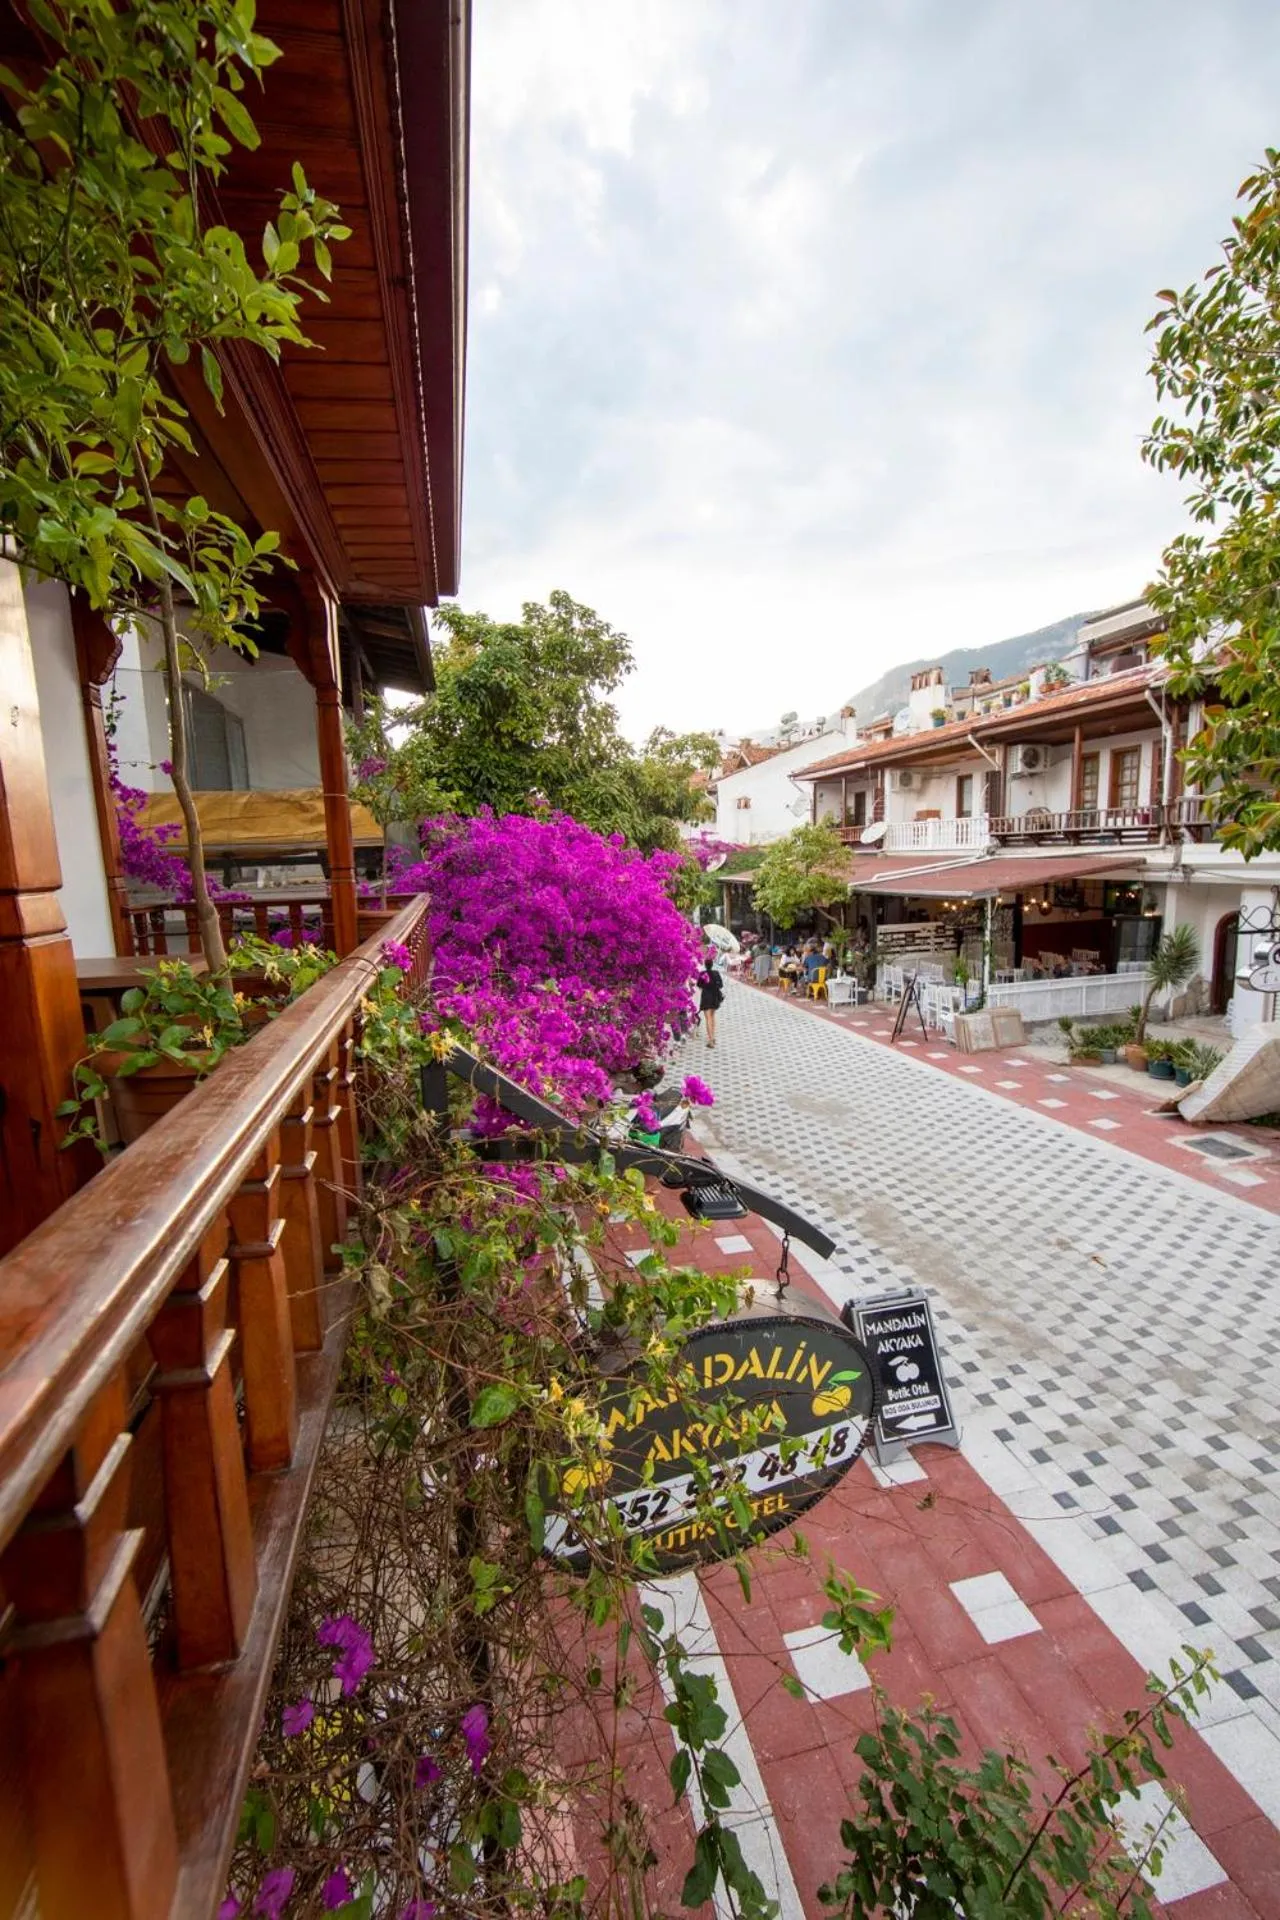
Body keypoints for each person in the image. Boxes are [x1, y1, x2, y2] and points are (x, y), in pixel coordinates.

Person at [698, 944, 725, 1047]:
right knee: (712, 1017)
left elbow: (699, 985)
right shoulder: (716, 973)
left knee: (708, 1018)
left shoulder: (702, 974)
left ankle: (711, 1040)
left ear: (705, 965)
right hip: (715, 998)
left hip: (706, 997)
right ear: (712, 964)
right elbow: (721, 985)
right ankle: (713, 1037)